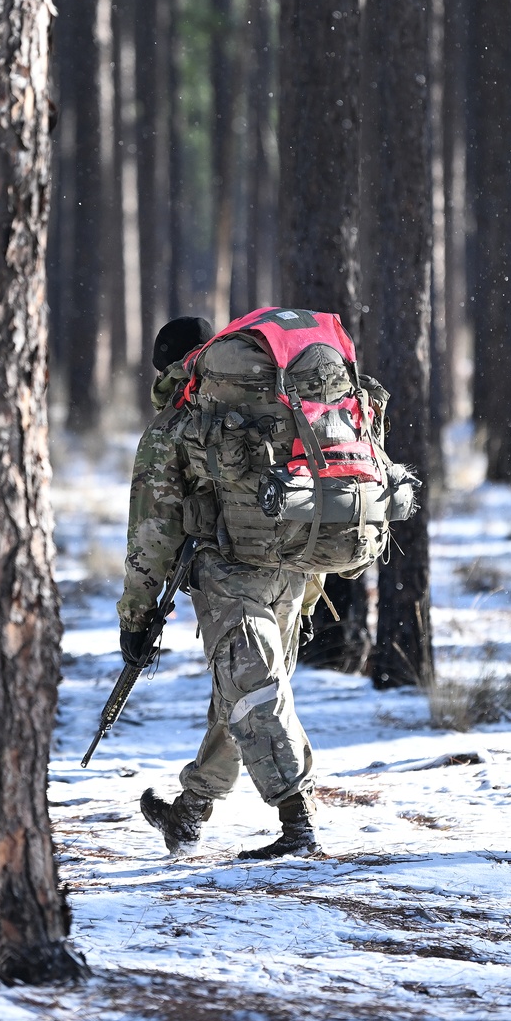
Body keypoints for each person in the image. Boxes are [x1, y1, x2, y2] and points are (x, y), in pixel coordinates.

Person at [118, 315, 322, 859]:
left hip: (232, 571)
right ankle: (190, 813)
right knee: (243, 690)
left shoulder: (179, 421)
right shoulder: (274, 398)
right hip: (295, 563)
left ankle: (297, 821)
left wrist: (136, 618)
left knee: (252, 694)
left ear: (166, 366)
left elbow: (152, 530)